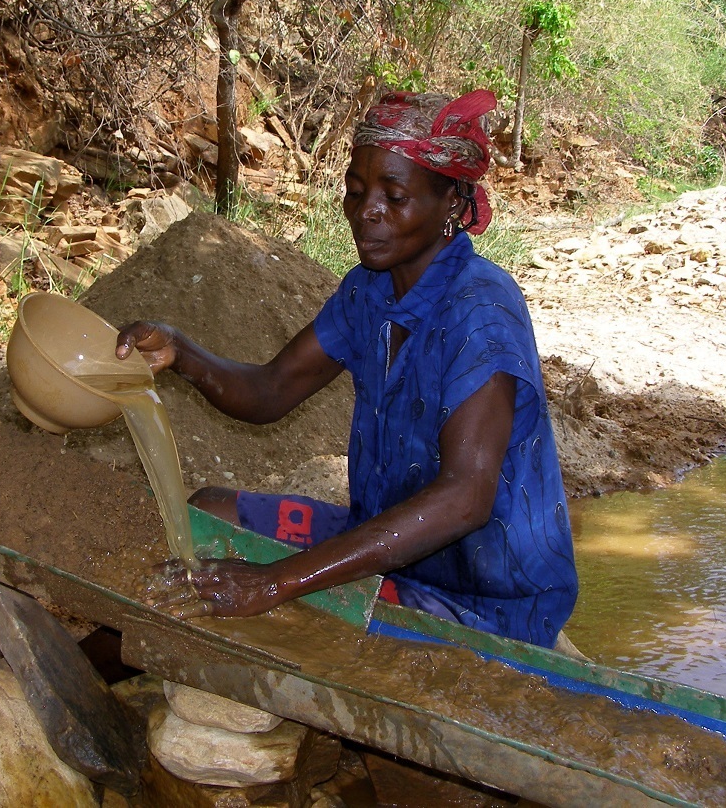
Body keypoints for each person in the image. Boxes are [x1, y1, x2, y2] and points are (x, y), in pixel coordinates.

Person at [115, 90, 578, 649]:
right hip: (388, 553)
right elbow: (271, 390)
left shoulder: (482, 311)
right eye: (355, 194)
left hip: (482, 592)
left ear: (453, 202)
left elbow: (465, 498)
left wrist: (277, 582)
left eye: (395, 196)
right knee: (209, 512)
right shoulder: (369, 293)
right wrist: (181, 352)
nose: (367, 213)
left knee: (293, 617)